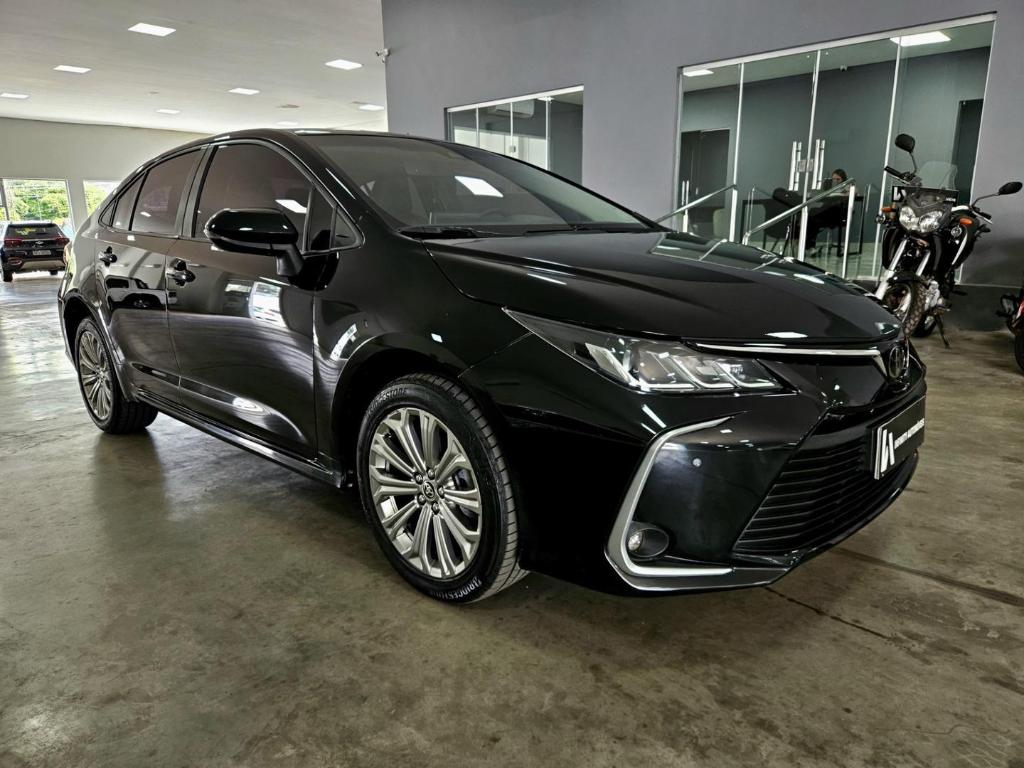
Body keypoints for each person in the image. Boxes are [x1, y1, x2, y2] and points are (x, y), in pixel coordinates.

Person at [805, 168, 849, 253]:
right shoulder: (829, 187)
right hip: (827, 211)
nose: (835, 181)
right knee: (811, 218)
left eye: (838, 179)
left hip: (838, 213)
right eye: (834, 179)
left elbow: (854, 192)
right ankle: (809, 246)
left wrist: (843, 193)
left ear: (843, 179)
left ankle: (809, 246)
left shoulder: (847, 185)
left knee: (813, 217)